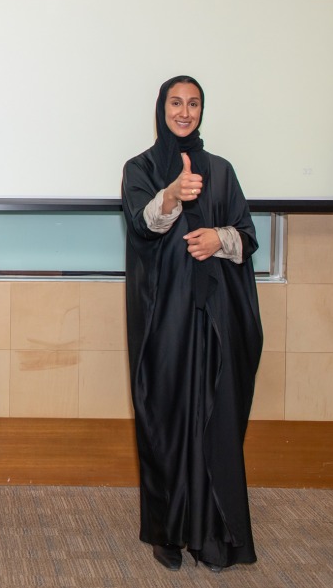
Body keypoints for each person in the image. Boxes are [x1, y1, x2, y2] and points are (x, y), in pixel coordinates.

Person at [122, 75, 263, 573]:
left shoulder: (222, 171)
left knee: (215, 422)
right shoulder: (139, 167)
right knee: (166, 421)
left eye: (194, 103)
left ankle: (214, 532)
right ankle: (167, 532)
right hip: (165, 321)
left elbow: (248, 237)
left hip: (215, 321)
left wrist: (217, 239)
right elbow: (142, 224)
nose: (185, 111)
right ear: (162, 108)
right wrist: (172, 195)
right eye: (176, 103)